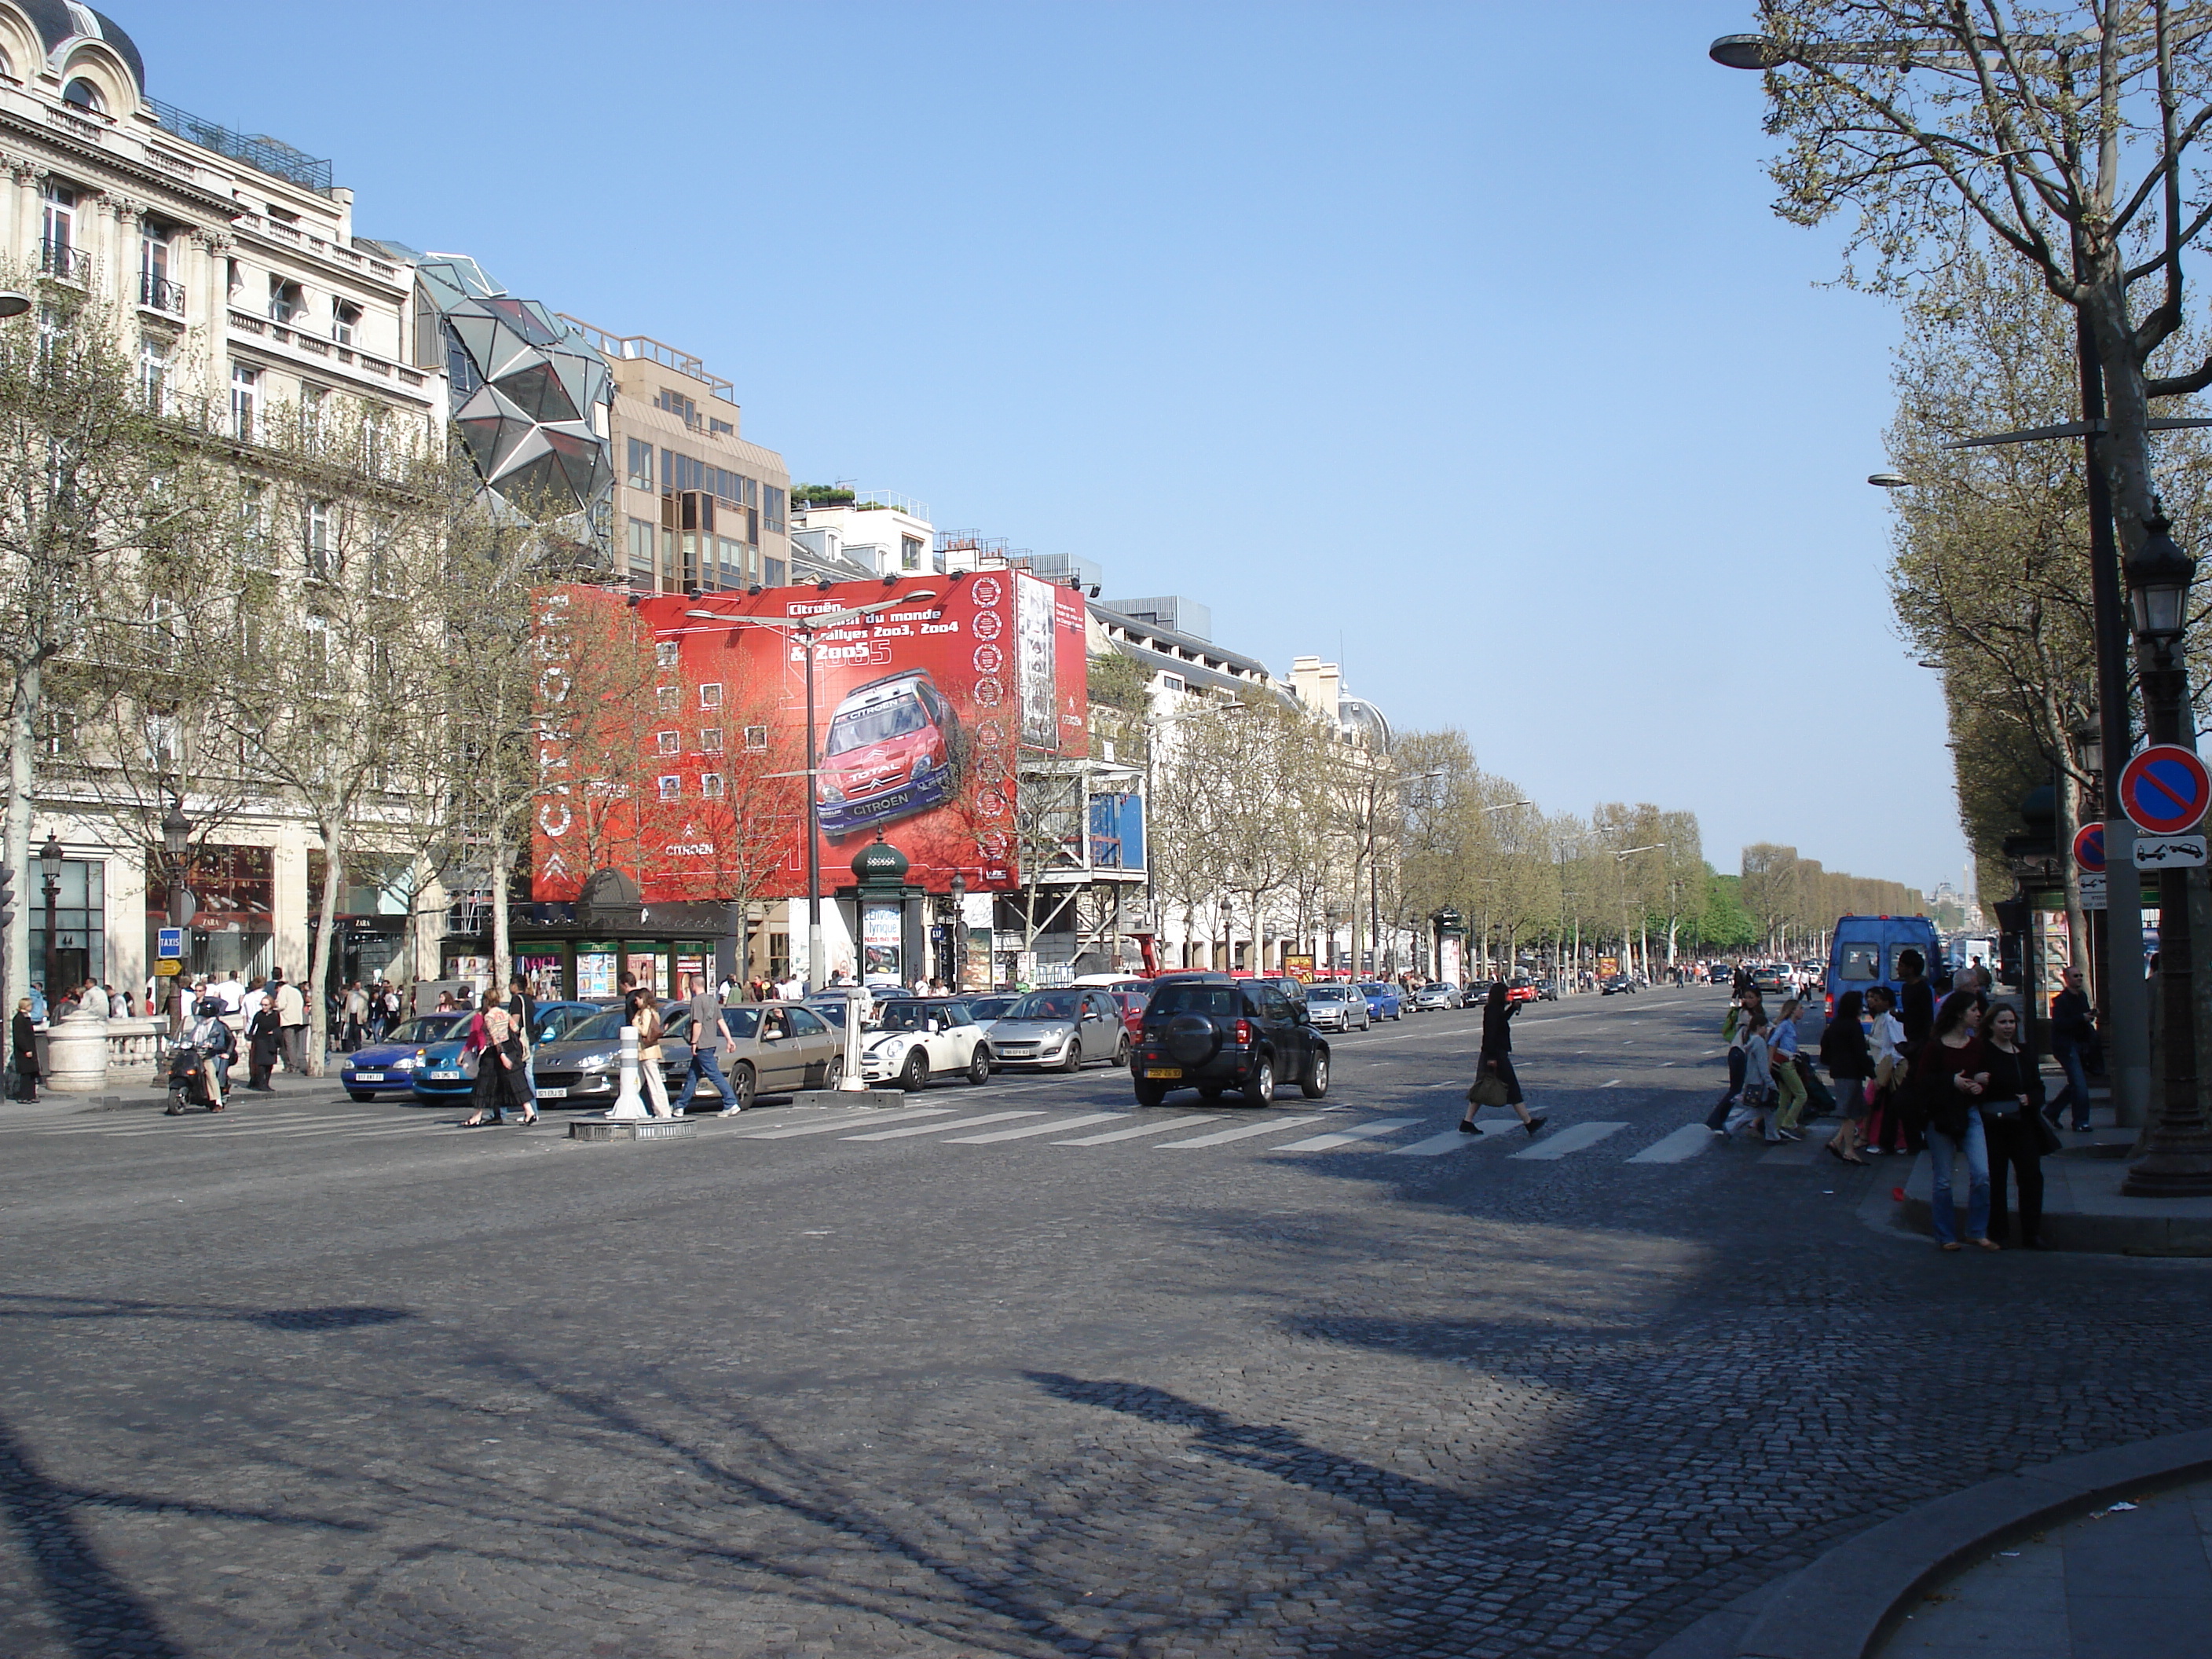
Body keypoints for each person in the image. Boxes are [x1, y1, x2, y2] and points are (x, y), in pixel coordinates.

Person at [1917, 990, 1996, 1251]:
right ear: (1959, 1013)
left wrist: (1979, 1085)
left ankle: (1976, 1230)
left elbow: (1983, 1077)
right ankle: (1946, 1235)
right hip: (1941, 1115)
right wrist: (1951, 1080)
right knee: (1943, 1180)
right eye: (1973, 1010)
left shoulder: (1976, 1046)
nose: (1978, 1015)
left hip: (1969, 1112)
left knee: (1982, 1173)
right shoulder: (1936, 1046)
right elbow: (1922, 1082)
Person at [1979, 1004, 2048, 1249]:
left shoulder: (2024, 1053)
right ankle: (1998, 1231)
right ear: (1990, 1025)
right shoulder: (1983, 1052)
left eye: (2011, 1022)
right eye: (2003, 1022)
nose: (2008, 1027)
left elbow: (2038, 1087)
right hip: (1993, 1125)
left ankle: (2032, 1232)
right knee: (1995, 1178)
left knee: (2031, 1176)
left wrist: (2030, 1099)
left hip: (2022, 1122)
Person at [1459, 980, 1546, 1137]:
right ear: (1500, 995)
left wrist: (1512, 1009)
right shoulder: (1492, 1010)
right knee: (1511, 1087)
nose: (1508, 996)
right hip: (1495, 1054)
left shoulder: (1495, 1009)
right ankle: (1528, 1123)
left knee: (1483, 1087)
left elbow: (1500, 1022)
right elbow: (1490, 1034)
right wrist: (1492, 1057)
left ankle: (1467, 1122)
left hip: (1493, 1054)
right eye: (1506, 994)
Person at [459, 991, 534, 1127]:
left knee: (483, 1081)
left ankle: (477, 1116)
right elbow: (515, 1029)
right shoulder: (503, 1013)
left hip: (496, 1051)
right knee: (515, 1081)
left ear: (486, 1001)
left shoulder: (489, 1016)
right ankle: (529, 1112)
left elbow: (495, 1037)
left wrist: (502, 1055)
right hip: (510, 1048)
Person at [674, 973, 742, 1115]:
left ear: (693, 985)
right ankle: (680, 1105)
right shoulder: (712, 1000)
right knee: (693, 1075)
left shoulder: (697, 1001)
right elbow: (721, 1021)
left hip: (702, 1044)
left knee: (714, 1074)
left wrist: (694, 1042)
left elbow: (697, 1023)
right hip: (711, 1042)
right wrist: (729, 1040)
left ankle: (731, 1102)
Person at [1820, 991, 1873, 1166]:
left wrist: (1831, 1061)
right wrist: (1872, 1073)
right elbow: (1860, 1053)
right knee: (1850, 1113)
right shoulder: (1853, 1026)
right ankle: (1848, 1150)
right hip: (1851, 1072)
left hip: (1839, 1070)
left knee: (1856, 1109)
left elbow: (1825, 1047)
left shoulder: (1835, 1024)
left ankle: (1837, 1141)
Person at [1707, 984, 1764, 1133]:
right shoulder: (1745, 1013)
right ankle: (1715, 1120)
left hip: (1743, 1053)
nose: (1748, 1000)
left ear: (1759, 998)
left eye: (1751, 997)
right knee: (1736, 1090)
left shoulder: (1757, 1012)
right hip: (1738, 1053)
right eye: (1746, 997)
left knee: (1739, 1090)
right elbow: (1759, 1029)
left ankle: (1719, 1120)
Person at [2045, 967, 2096, 1133]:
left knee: (2076, 1083)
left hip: (2079, 1044)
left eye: (2081, 975)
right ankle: (2081, 1121)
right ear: (2067, 979)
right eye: (2076, 976)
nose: (2079, 978)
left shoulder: (2082, 997)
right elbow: (2059, 1024)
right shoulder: (2060, 1001)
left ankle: (2052, 1111)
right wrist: (2081, 1018)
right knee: (2080, 1084)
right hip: (2066, 1045)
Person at [1863, 985, 1910, 1156]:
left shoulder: (1890, 1019)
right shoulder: (1881, 1018)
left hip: (1889, 1067)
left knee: (1879, 1105)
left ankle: (1886, 1140)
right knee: (1878, 1105)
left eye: (1876, 999)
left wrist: (1867, 1039)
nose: (1871, 1002)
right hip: (1883, 1065)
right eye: (1869, 998)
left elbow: (1893, 1045)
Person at [1725, 1012, 1779, 1141]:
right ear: (1759, 1027)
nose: (1766, 1030)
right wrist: (1771, 1084)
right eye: (1765, 1027)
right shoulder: (1760, 1042)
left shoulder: (1751, 1041)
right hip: (1760, 1083)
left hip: (1753, 1081)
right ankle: (1772, 1136)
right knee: (1767, 1109)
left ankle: (1772, 1136)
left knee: (1763, 1110)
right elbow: (1763, 1067)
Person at [1768, 998, 1809, 1140]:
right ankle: (1788, 1123)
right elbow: (1773, 1042)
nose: (1802, 1011)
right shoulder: (1785, 1025)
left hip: (1789, 1061)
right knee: (1801, 1095)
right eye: (1800, 1008)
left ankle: (1778, 1128)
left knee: (1784, 1098)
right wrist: (1770, 1061)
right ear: (1792, 1011)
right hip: (1785, 1064)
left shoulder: (1791, 1024)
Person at [628, 987, 673, 1119]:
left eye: (637, 999)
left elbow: (644, 1031)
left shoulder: (646, 1012)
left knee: (654, 1082)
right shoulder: (654, 1012)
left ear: (642, 998)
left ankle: (662, 1111)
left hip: (648, 1052)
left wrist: (635, 1022)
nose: (635, 1002)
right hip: (649, 1051)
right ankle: (632, 1107)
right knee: (639, 1082)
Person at [244, 994, 284, 1092]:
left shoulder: (275, 1015)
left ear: (271, 1005)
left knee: (269, 1064)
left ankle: (266, 1083)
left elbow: (279, 1027)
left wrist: (274, 1032)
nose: (264, 1007)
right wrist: (249, 1040)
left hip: (271, 1041)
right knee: (261, 1064)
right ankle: (260, 1083)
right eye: (262, 1005)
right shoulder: (259, 1015)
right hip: (260, 1040)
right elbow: (253, 1027)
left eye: (266, 1005)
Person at [271, 970, 307, 1074]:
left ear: (278, 987)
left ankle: (293, 1065)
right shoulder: (296, 991)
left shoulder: (283, 990)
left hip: (288, 1020)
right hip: (298, 1019)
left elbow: (281, 1005)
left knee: (289, 1044)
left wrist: (275, 1006)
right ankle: (298, 1062)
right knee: (296, 1044)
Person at [10, 998, 38, 1101]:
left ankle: (31, 1095)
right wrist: (26, 1049)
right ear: (25, 1006)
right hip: (24, 1051)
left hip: (30, 1049)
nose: (32, 1007)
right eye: (30, 1005)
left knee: (31, 1073)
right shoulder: (19, 1019)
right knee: (25, 1074)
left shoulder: (26, 1017)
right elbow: (20, 1037)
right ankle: (24, 1096)